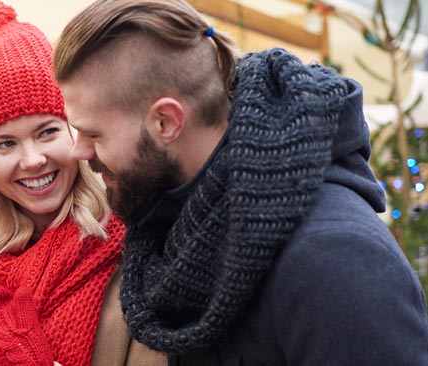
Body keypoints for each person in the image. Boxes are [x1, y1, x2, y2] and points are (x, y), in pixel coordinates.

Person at [51, 0, 428, 365]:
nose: (77, 151)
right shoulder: (175, 221)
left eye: (93, 134)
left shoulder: (334, 262)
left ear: (166, 122)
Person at [0, 1, 165, 365]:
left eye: (48, 132)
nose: (33, 159)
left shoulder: (132, 244)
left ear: (76, 129)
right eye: (5, 143)